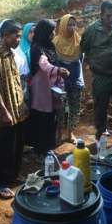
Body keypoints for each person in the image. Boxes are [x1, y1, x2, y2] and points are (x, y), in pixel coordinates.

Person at [0, 20, 28, 199]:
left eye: (20, 36)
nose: (18, 40)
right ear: (6, 35)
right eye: (16, 36)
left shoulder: (10, 53)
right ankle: (0, 183)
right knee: (4, 146)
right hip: (4, 111)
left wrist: (22, 103)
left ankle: (13, 174)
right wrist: (3, 111)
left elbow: (16, 81)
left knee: (16, 144)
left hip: (16, 107)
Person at [80, 0, 112, 141]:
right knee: (100, 107)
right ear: (101, 14)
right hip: (101, 75)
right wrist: (96, 60)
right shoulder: (91, 30)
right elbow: (84, 47)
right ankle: (101, 131)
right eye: (108, 15)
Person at [30, 19, 70, 164]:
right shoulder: (37, 47)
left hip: (51, 86)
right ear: (45, 32)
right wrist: (58, 70)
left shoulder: (50, 46)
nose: (54, 32)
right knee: (41, 120)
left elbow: (52, 64)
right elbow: (44, 65)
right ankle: (38, 151)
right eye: (52, 30)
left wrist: (59, 77)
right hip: (41, 88)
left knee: (51, 119)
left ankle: (47, 148)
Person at [53, 14, 84, 145]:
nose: (72, 28)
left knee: (75, 107)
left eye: (74, 25)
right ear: (63, 26)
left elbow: (81, 61)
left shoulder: (79, 41)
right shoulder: (55, 43)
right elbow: (53, 62)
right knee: (59, 108)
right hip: (60, 80)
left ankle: (71, 132)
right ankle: (59, 132)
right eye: (69, 25)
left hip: (76, 79)